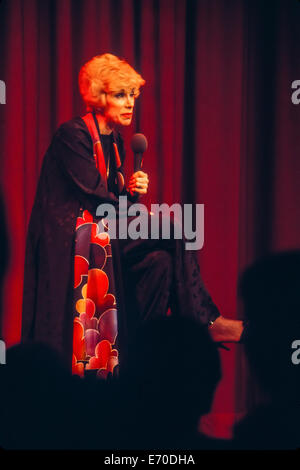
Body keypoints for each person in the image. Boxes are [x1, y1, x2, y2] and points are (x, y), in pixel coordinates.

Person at [22, 53, 243, 377]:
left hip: (102, 228)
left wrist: (130, 192)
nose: (129, 104)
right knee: (172, 230)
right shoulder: (73, 135)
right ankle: (206, 322)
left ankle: (141, 356)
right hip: (72, 238)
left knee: (160, 263)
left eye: (132, 96)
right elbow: (96, 197)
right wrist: (123, 200)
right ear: (99, 97)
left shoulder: (115, 142)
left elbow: (114, 203)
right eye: (119, 95)